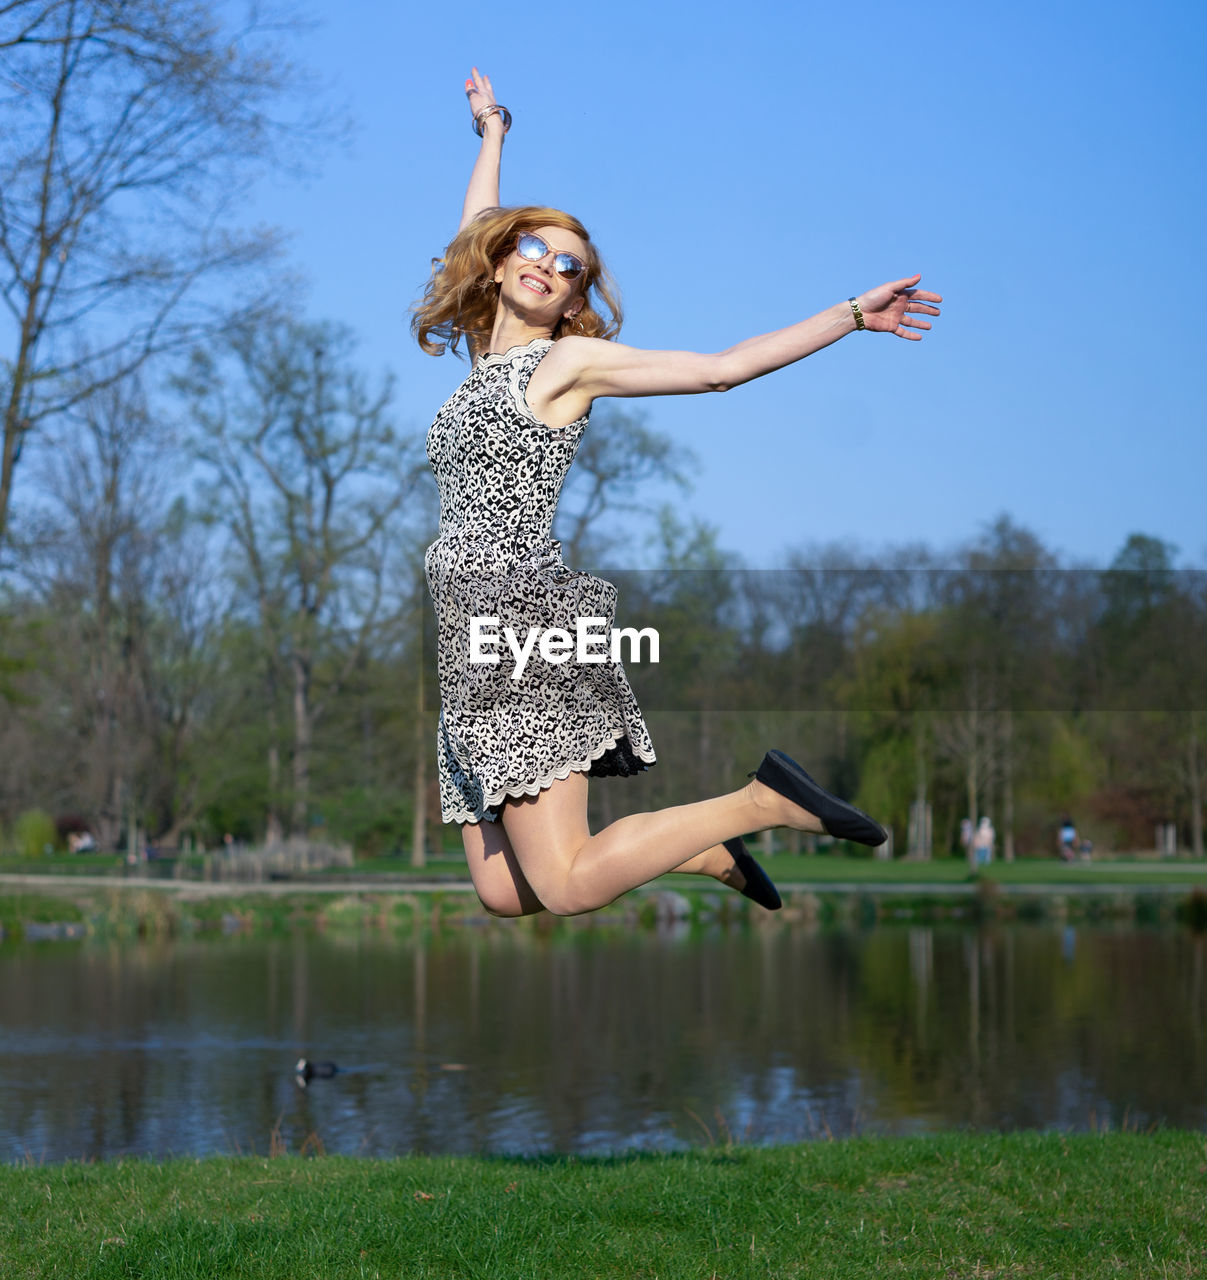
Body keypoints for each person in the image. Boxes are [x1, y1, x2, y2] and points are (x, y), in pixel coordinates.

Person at [410, 68, 941, 920]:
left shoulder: (564, 365)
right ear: (503, 260)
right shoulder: (485, 358)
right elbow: (473, 225)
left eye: (569, 265)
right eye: (534, 249)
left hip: (520, 621)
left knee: (570, 882)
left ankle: (763, 802)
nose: (547, 264)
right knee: (502, 893)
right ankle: (696, 847)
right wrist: (493, 134)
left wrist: (847, 314)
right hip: (466, 629)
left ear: (577, 294)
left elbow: (720, 369)